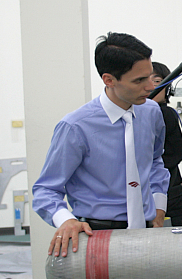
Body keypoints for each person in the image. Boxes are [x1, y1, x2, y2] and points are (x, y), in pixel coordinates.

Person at [33, 32, 170, 257]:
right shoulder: (75, 127)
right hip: (97, 238)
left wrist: (158, 205)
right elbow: (45, 190)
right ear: (109, 80)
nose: (150, 87)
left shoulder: (151, 112)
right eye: (139, 81)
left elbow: (155, 160)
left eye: (150, 77)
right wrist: (65, 220)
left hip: (148, 233)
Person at [151, 61, 182, 226]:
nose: (151, 86)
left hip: (169, 197)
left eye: (156, 81)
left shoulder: (165, 114)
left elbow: (172, 157)